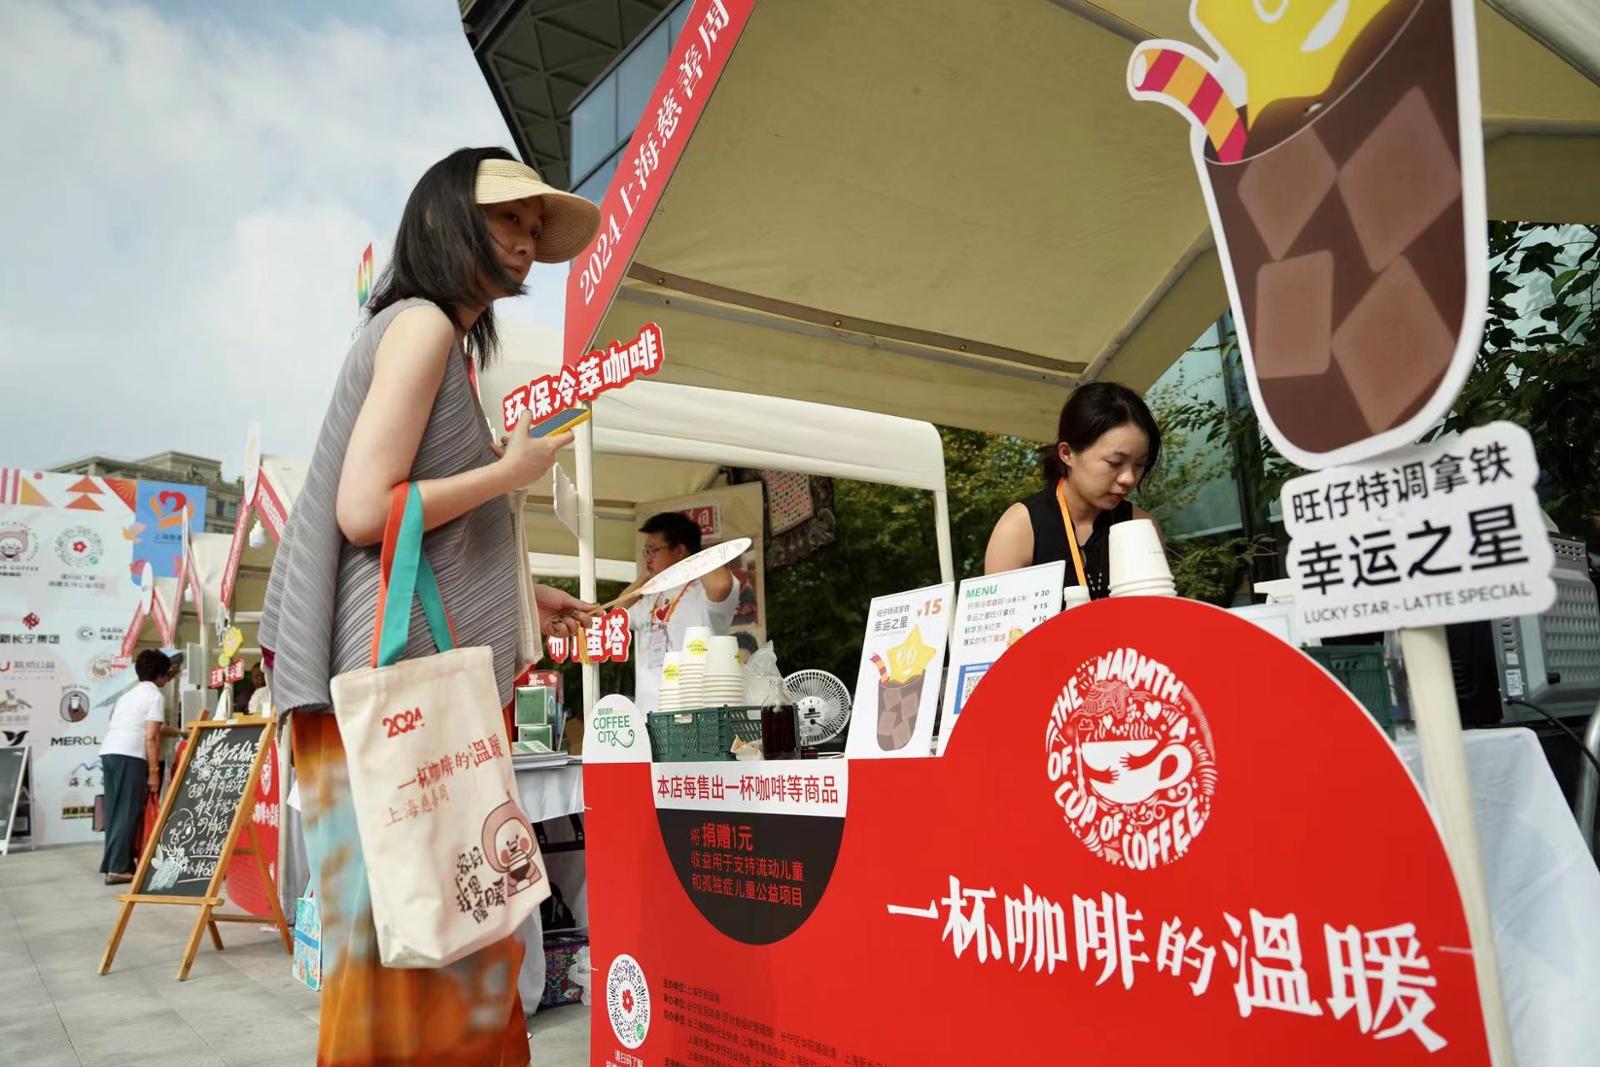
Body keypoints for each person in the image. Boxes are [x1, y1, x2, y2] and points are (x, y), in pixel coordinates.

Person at [257, 147, 602, 1067]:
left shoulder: (420, 331)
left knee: (428, 937)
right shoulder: (422, 328)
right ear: (446, 218)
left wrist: (522, 596)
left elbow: (416, 542)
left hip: (384, 694)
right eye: (507, 218)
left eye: (535, 225)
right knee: (421, 946)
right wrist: (509, 472)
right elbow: (366, 510)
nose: (526, 240)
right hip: (394, 701)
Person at [984, 382, 1163, 598]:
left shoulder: (1140, 526)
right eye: (1114, 463)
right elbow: (1000, 617)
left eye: (1140, 464)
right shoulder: (1020, 528)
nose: (1129, 478)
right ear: (1067, 453)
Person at [624, 512, 740, 713]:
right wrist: (645, 577)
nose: (648, 558)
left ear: (679, 551)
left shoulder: (702, 589)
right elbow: (617, 615)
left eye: (654, 550)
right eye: (646, 551)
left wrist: (692, 560)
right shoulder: (651, 595)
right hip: (648, 710)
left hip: (696, 708)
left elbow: (721, 585)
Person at [99, 649, 179, 884]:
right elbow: (151, 737)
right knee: (128, 811)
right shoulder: (155, 695)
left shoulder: (129, 694)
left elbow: (152, 728)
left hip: (110, 752)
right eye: (168, 674)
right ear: (161, 675)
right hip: (131, 755)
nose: (168, 679)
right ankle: (117, 868)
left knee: (114, 811)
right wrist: (154, 772)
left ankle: (117, 863)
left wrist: (181, 732)